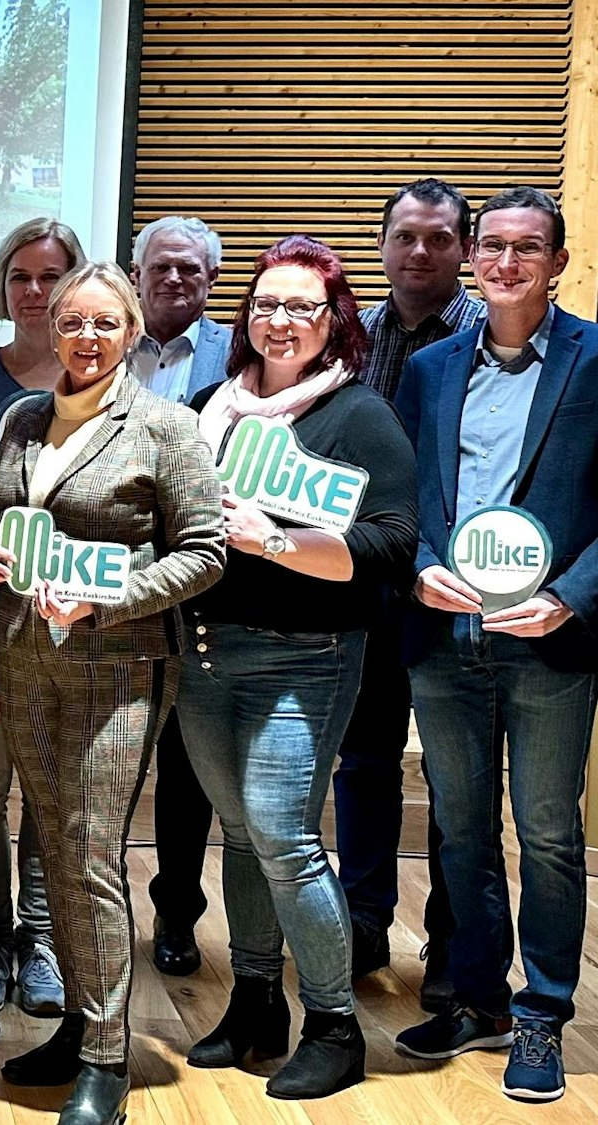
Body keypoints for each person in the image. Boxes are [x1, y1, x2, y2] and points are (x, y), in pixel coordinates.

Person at [0, 261, 224, 1125]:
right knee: (47, 835)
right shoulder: (21, 420)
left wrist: (107, 596)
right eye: (71, 322)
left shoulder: (167, 427)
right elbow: (3, 519)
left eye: (103, 325)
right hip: (29, 657)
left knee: (90, 852)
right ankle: (81, 1026)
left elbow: (205, 552)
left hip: (119, 667)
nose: (84, 338)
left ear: (132, 334)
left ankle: (109, 1060)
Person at [176, 236, 417, 1099]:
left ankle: (333, 1025)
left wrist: (274, 539)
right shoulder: (211, 406)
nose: (281, 322)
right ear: (245, 316)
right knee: (239, 834)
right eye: (266, 305)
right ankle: (252, 1004)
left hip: (307, 659)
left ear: (332, 320)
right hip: (204, 651)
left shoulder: (357, 415)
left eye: (301, 307)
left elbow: (391, 542)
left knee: (284, 834)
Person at [393, 186, 598, 1104]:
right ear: (475, 259)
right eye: (494, 247)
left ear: (557, 263)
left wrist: (569, 597)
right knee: (461, 830)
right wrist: (420, 566)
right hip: (446, 636)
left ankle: (542, 1014)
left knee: (549, 835)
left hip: (550, 640)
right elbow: (397, 497)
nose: (506, 263)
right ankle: (474, 997)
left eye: (529, 249)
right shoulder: (432, 368)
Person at [339, 178, 493, 1000]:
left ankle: (449, 944)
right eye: (406, 236)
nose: (421, 252)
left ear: (465, 249)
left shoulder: (482, 336)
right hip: (366, 586)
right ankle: (363, 922)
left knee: (452, 776)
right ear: (383, 244)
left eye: (440, 238)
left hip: (450, 586)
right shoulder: (353, 337)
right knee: (363, 760)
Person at [0, 217, 85, 1020]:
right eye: (21, 276)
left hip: (78, 624)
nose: (35, 291)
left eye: (51, 275)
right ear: (2, 285)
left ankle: (39, 938)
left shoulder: (101, 377)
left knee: (51, 791)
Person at [129, 214, 231, 979]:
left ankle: (175, 913)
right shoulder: (100, 340)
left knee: (187, 768)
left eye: (190, 271)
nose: (174, 280)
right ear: (136, 273)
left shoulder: (241, 357)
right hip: (110, 587)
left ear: (212, 280)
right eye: (161, 267)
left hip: (204, 592)